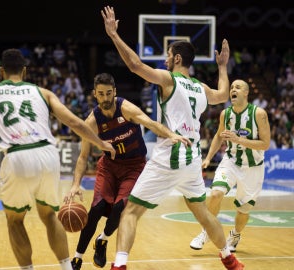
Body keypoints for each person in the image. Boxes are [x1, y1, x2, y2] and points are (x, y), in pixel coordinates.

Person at [0, 48, 116, 270]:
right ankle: (66, 267)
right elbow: (75, 123)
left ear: (1, 72)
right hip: (48, 155)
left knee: (15, 220)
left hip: (17, 156)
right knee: (49, 216)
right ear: (24, 71)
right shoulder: (44, 93)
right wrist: (101, 143)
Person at [101, 6, 244, 270]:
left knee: (131, 211)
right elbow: (224, 95)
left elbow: (134, 65)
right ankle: (229, 258)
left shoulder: (169, 79)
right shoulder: (201, 88)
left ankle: (119, 266)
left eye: (168, 55)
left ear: (177, 59)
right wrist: (222, 67)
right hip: (192, 159)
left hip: (170, 155)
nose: (165, 59)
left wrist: (113, 35)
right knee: (202, 213)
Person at [64, 73, 190, 270]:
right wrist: (75, 185)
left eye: (108, 93)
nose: (105, 98)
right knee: (96, 209)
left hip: (134, 166)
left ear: (114, 92)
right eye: (101, 94)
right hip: (109, 167)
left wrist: (171, 134)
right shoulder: (92, 121)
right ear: (94, 95)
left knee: (120, 210)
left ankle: (103, 239)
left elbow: (151, 123)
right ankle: (77, 258)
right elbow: (82, 157)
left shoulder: (126, 109)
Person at [190, 79, 270, 252]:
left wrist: (238, 139)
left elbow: (265, 144)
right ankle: (206, 232)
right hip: (231, 161)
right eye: (232, 87)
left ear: (246, 93)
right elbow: (219, 136)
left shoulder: (259, 114)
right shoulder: (225, 114)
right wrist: (208, 157)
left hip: (253, 167)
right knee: (216, 193)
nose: (233, 89)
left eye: (238, 87)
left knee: (243, 210)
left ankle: (235, 234)